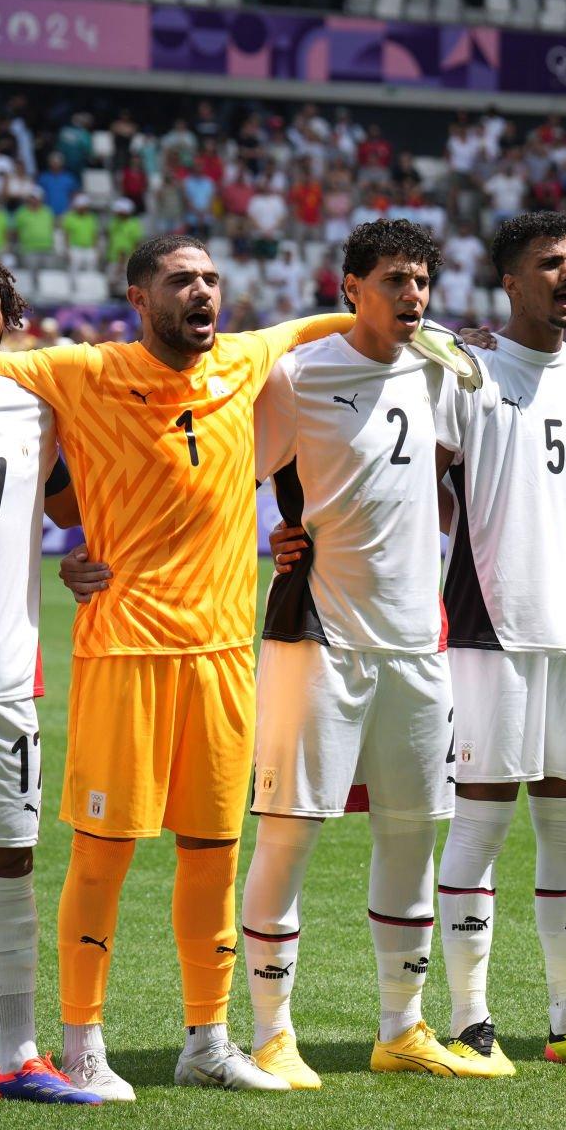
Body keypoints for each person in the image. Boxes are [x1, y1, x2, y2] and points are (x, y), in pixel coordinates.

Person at [0, 236, 352, 1099]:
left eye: (210, 280)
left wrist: (441, 333)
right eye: (179, 281)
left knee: (213, 852)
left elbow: (330, 322)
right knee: (104, 854)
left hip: (225, 655)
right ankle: (82, 1044)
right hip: (127, 648)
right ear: (137, 297)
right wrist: (68, 541)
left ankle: (207, 1040)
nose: (201, 293)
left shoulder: (242, 356)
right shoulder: (83, 370)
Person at [227, 220, 490, 1086]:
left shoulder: (438, 371)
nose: (412, 296)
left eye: (421, 281)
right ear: (350, 286)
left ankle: (401, 1030)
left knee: (412, 835)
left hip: (417, 643)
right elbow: (238, 480)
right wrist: (278, 534)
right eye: (394, 280)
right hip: (320, 637)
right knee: (289, 834)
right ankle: (271, 1032)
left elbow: (447, 469)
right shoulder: (298, 376)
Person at [431, 211, 566, 1074]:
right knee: (480, 826)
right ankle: (469, 1019)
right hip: (491, 632)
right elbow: (412, 466)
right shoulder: (467, 372)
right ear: (509, 282)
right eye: (547, 265)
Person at [0, 248, 97, 1103]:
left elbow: (72, 510)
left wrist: (84, 556)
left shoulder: (31, 405)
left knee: (7, 862)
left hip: (2, 676)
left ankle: (18, 1056)